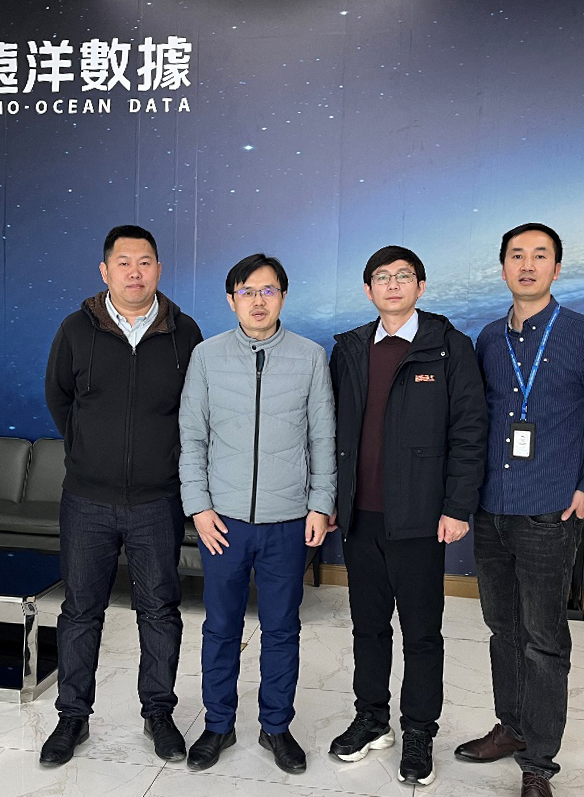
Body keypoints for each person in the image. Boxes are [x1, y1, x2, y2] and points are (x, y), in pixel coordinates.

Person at [455, 223, 584, 797]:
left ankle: (539, 762)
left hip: (550, 517)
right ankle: (510, 727)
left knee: (543, 639)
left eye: (540, 256)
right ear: (503, 268)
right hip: (491, 512)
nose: (527, 265)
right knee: (501, 629)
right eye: (517, 255)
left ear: (557, 268)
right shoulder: (488, 339)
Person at [42, 224, 203, 766]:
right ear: (105, 270)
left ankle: (158, 713)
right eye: (124, 262)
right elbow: (60, 399)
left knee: (159, 611)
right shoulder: (75, 329)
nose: (135, 272)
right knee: (80, 611)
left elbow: (194, 410)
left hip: (157, 500)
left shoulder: (184, 332)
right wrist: (91, 450)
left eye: (145, 262)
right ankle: (72, 717)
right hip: (87, 499)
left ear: (159, 269)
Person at [327, 246, 488, 786]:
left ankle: (418, 731)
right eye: (382, 277)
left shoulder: (448, 347)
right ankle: (371, 719)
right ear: (368, 289)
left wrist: (457, 506)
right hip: (360, 517)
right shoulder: (351, 349)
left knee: (421, 633)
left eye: (403, 276)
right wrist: (331, 499)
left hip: (420, 518)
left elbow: (470, 430)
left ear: (420, 286)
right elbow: (331, 430)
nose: (392, 284)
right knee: (368, 627)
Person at [178, 253, 336, 775]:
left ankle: (276, 727)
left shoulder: (310, 357)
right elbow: (192, 437)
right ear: (232, 300)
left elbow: (322, 437)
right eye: (247, 291)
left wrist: (320, 504)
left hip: (287, 521)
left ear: (283, 297)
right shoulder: (206, 356)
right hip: (222, 522)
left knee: (281, 630)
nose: (258, 300)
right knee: (220, 628)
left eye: (268, 290)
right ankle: (218, 724)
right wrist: (199, 507)